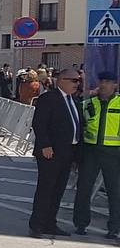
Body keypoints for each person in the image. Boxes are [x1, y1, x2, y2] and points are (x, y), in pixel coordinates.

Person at [29, 68, 83, 238]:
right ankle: (37, 224)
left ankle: (50, 223)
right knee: (46, 188)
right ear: (61, 81)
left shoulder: (73, 100)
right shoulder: (49, 98)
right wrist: (45, 145)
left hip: (68, 152)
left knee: (58, 190)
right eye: (74, 81)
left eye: (79, 81)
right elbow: (39, 123)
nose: (77, 84)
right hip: (50, 152)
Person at [73, 71, 120, 240]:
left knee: (114, 192)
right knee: (84, 188)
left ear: (115, 85)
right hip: (91, 151)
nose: (104, 85)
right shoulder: (89, 104)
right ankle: (80, 223)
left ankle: (114, 227)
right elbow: (79, 128)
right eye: (102, 81)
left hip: (113, 152)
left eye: (108, 81)